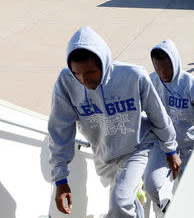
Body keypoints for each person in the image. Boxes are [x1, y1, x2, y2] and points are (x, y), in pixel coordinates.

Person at [48, 26, 180, 218]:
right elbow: (60, 131)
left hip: (136, 147)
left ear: (104, 62)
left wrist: (171, 149)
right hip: (104, 156)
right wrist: (60, 179)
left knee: (119, 202)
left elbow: (157, 114)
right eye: (77, 73)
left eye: (91, 72)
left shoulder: (133, 76)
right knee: (125, 201)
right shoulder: (66, 83)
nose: (84, 79)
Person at [144, 40, 194, 212]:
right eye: (158, 69)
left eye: (166, 69)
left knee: (193, 193)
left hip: (190, 146)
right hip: (162, 145)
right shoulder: (151, 82)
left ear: (175, 63)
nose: (162, 74)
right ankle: (170, 211)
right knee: (151, 185)